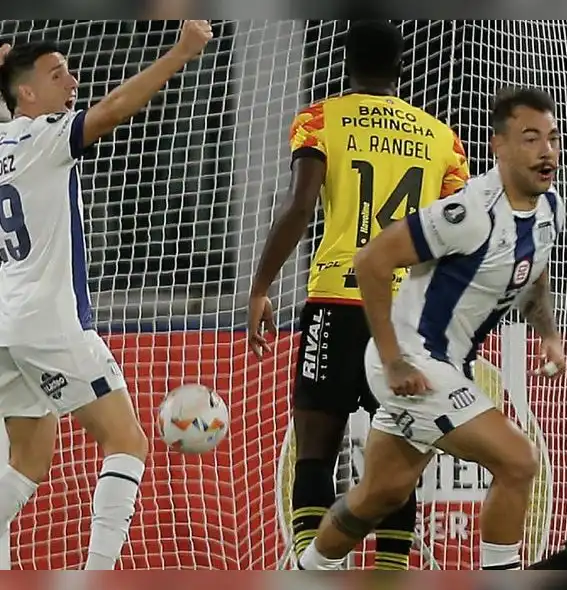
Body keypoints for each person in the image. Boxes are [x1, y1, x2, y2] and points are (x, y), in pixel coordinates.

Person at [294, 86, 566, 570]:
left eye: (551, 138)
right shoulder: (469, 212)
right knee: (518, 461)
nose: (546, 151)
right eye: (530, 138)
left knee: (380, 494)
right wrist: (394, 356)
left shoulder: (548, 209)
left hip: (445, 365)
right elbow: (373, 259)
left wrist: (546, 332)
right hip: (414, 360)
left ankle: (308, 570)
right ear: (498, 146)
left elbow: (535, 269)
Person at [246, 20, 470, 570]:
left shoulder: (321, 119)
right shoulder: (441, 138)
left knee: (317, 447)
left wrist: (260, 286)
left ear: (347, 65)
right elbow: (461, 235)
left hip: (337, 303)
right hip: (404, 319)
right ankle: (391, 575)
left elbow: (300, 207)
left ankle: (308, 567)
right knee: (398, 456)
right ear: (401, 68)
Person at [0, 22, 213, 570]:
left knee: (26, 459)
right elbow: (116, 108)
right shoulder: (46, 135)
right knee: (128, 442)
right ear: (26, 93)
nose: (72, 80)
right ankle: (99, 576)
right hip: (51, 323)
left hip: (7, 325)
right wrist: (181, 52)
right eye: (57, 74)